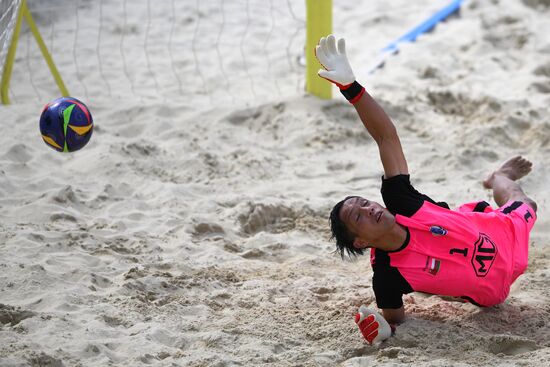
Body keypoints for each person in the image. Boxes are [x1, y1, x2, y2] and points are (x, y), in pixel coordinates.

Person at [315, 35, 538, 345]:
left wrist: (351, 88)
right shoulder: (387, 275)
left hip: (500, 231)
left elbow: (387, 138)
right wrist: (380, 331)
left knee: (523, 201)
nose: (369, 208)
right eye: (358, 215)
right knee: (491, 298)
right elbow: (394, 321)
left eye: (365, 203)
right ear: (361, 240)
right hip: (493, 295)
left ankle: (499, 176)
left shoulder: (401, 201)